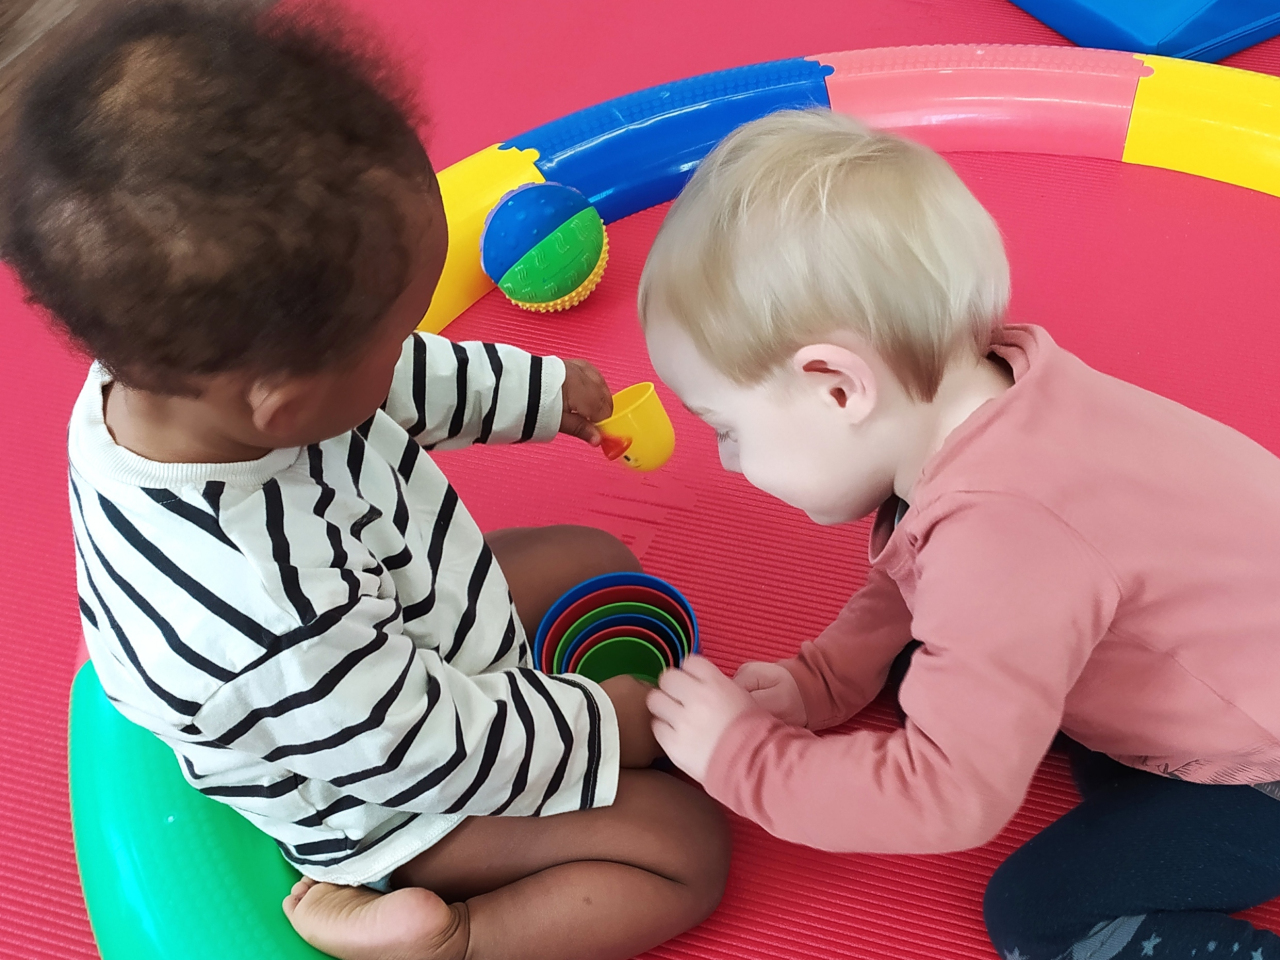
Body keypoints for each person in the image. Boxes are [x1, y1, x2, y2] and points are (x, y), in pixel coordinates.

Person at [2, 4, 729, 959]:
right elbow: (427, 752)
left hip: (389, 617)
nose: (406, 347)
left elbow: (398, 375)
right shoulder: (267, 613)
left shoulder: (189, 369)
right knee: (682, 848)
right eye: (392, 333)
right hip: (377, 792)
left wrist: (545, 394)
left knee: (594, 555)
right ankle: (447, 938)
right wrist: (610, 728)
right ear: (283, 405)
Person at [639, 107, 1280, 960]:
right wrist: (819, 682)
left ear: (836, 388)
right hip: (1219, 653)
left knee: (1041, 916)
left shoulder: (1006, 532)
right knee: (924, 666)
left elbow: (947, 796)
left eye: (726, 428)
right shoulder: (992, 394)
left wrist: (744, 759)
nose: (725, 460)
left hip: (1260, 762)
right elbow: (915, 574)